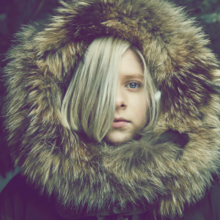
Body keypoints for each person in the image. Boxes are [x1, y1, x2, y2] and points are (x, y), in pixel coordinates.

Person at [1, 0, 220, 219]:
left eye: (133, 84)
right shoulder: (21, 200)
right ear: (77, 95)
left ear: (153, 96)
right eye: (99, 85)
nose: (117, 100)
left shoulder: (210, 196)